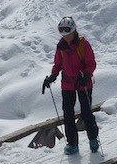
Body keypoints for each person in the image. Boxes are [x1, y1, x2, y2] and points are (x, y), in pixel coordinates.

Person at [42, 16, 100, 155]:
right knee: (68, 114)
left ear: (73, 30)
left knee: (86, 112)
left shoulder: (82, 44)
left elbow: (91, 63)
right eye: (62, 32)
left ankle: (93, 139)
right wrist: (53, 76)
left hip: (82, 82)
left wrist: (86, 76)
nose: (65, 35)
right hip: (67, 83)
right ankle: (72, 143)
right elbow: (58, 64)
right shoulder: (61, 46)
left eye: (67, 32)